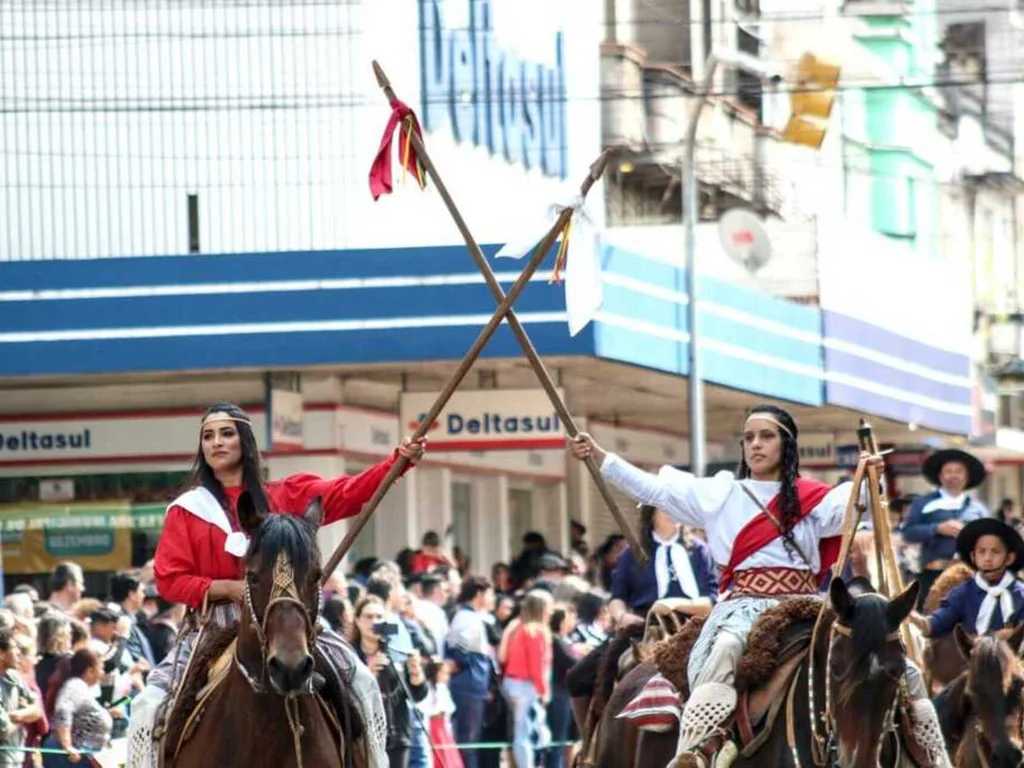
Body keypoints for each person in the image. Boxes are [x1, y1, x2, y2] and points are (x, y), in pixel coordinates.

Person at [569, 404, 951, 768]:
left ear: (786, 445)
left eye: (766, 436)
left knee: (891, 663)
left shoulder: (812, 498)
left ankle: (932, 754)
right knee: (726, 649)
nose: (755, 444)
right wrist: (602, 458)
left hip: (807, 606)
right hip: (742, 608)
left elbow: (850, 509)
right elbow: (653, 490)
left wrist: (870, 480)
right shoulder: (721, 495)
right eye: (749, 437)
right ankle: (697, 747)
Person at [128, 402, 426, 768]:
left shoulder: (287, 495)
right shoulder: (187, 509)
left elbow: (350, 492)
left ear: (246, 442)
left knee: (360, 680)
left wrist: (399, 461)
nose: (216, 443)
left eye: (226, 434)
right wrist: (227, 588)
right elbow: (170, 579)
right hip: (215, 622)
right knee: (149, 705)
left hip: (288, 617)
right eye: (208, 436)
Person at [901, 448, 990, 610]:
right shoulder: (923, 503)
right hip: (933, 575)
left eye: (959, 471)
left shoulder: (978, 509)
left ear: (966, 476)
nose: (953, 475)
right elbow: (908, 533)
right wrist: (937, 528)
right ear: (940, 476)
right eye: (948, 471)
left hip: (970, 576)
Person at [910, 518, 1024, 638]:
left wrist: (1011, 635)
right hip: (972, 654)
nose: (987, 558)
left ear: (1009, 558)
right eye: (981, 552)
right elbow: (939, 622)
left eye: (995, 552)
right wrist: (914, 619)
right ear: (973, 556)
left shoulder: (1020, 594)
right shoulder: (963, 592)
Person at [352, 596, 428, 768]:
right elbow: (344, 693)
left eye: (379, 617)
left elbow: (417, 695)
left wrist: (416, 675)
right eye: (369, 617)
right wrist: (368, 671)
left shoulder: (394, 652)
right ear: (357, 621)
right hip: (362, 736)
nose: (374, 622)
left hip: (396, 736)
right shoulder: (350, 655)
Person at [611, 504, 718, 615]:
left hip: (693, 625)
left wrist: (674, 604)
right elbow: (617, 598)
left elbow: (711, 600)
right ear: (651, 512)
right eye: (666, 507)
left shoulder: (700, 550)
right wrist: (623, 617)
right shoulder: (633, 552)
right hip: (644, 625)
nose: (673, 512)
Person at [499, 590, 554, 768]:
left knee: (520, 732)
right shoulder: (536, 631)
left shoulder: (516, 628)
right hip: (526, 686)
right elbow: (537, 666)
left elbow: (503, 657)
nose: (551, 612)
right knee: (526, 734)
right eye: (548, 608)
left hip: (511, 683)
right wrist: (544, 691)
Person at [445, 577, 495, 768]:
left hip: (473, 685)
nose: (492, 598)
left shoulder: (469, 617)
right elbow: (459, 653)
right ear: (479, 593)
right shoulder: (466, 618)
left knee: (470, 741)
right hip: (468, 687)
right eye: (489, 594)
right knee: (468, 742)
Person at [41, 649, 116, 767]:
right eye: (101, 668)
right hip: (69, 759)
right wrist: (67, 746)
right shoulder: (74, 686)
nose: (102, 673)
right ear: (90, 671)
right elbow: (62, 711)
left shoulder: (82, 688)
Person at [0, 629, 42, 768]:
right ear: (1, 653)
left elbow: (37, 711)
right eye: (13, 647)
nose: (18, 652)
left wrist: (17, 715)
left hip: (17, 757)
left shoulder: (14, 677)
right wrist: (24, 717)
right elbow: (3, 731)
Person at [109, 572, 155, 668]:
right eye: (141, 591)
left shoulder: (130, 620)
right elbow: (135, 658)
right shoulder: (122, 622)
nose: (144, 596)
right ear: (132, 595)